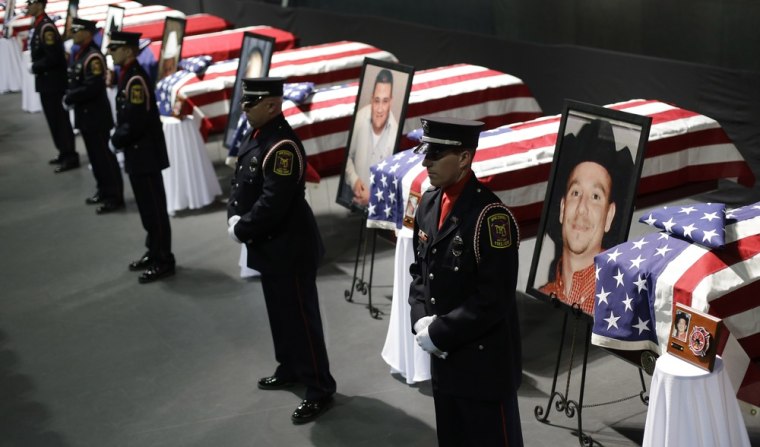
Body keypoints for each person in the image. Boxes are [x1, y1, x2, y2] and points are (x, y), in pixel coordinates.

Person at [227, 77, 336, 424]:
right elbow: (244, 180)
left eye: (251, 103)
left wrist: (241, 227)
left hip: (289, 247)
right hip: (272, 246)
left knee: (302, 320)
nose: (244, 108)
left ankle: (320, 386)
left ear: (272, 105)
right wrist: (236, 215)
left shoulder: (282, 146)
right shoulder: (260, 134)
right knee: (280, 314)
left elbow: (274, 202)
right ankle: (290, 366)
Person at [409, 117, 523, 446]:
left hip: (482, 364)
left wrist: (439, 332)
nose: (426, 161)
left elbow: (494, 299)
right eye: (426, 152)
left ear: (463, 158)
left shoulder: (490, 217)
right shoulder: (429, 203)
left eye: (436, 154)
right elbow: (420, 271)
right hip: (445, 359)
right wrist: (420, 322)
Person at [539, 119, 632, 315]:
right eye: (575, 193)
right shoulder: (542, 298)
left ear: (609, 216)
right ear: (563, 207)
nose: (582, 208)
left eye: (596, 196)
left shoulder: (618, 305)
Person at [108, 31, 176, 284]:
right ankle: (154, 250)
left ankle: (164, 259)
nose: (111, 54)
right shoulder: (128, 75)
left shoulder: (135, 79)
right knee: (147, 209)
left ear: (128, 50)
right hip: (138, 153)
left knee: (154, 209)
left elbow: (135, 121)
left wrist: (116, 139)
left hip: (144, 153)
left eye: (115, 49)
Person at [65, 18, 124, 214]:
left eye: (77, 30)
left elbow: (93, 86)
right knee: (95, 158)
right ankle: (103, 190)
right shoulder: (82, 54)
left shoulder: (93, 57)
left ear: (88, 34)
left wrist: (71, 96)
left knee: (104, 158)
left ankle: (114, 195)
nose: (73, 33)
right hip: (86, 115)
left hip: (96, 116)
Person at [27, 0, 80, 173]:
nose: (28, 6)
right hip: (47, 82)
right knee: (53, 120)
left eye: (30, 3)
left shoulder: (46, 28)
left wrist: (36, 67)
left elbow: (54, 57)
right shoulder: (40, 25)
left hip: (53, 83)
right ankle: (63, 152)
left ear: (40, 5)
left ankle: (70, 155)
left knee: (60, 120)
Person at [342, 68, 398, 206]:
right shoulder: (359, 118)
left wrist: (373, 198)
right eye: (376, 100)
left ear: (391, 101)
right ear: (371, 98)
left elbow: (394, 181)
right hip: (353, 200)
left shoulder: (395, 133)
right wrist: (354, 180)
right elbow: (347, 156)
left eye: (385, 101)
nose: (379, 109)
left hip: (381, 208)